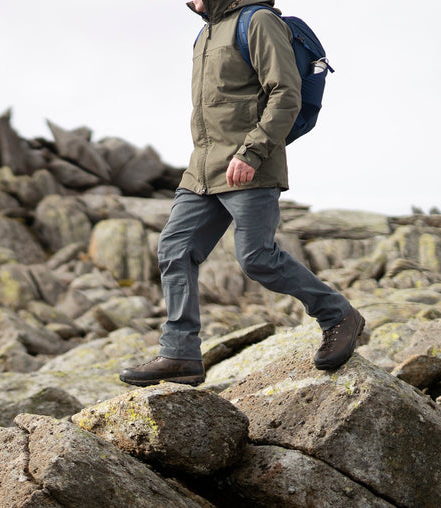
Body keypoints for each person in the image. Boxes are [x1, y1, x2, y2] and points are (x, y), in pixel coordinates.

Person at [120, 0, 364, 387]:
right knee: (174, 249)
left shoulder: (259, 21)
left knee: (257, 258)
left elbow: (285, 93)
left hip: (250, 164)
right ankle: (180, 354)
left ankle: (337, 314)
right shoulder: (204, 34)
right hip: (202, 168)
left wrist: (252, 151)